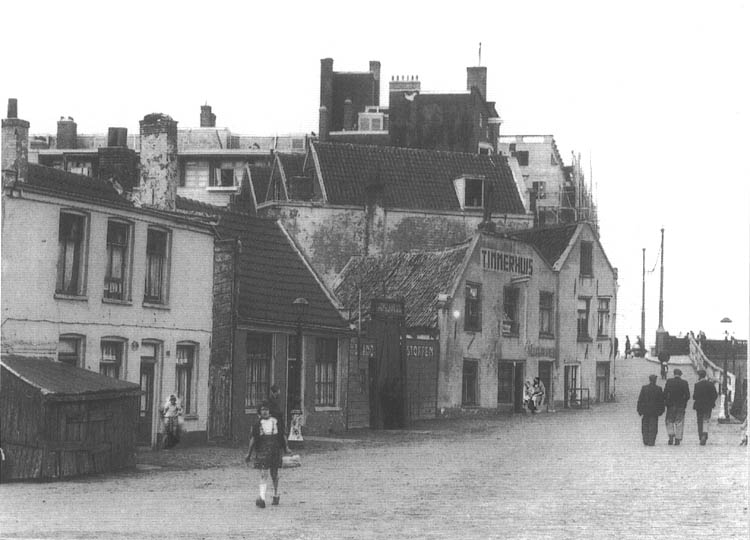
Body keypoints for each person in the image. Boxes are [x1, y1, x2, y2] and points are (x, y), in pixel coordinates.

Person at [246, 401, 283, 508]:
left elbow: (281, 435)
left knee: (274, 474)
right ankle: (262, 498)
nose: (265, 412)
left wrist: (286, 448)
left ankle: (276, 494)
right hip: (262, 451)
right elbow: (252, 439)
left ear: (270, 411)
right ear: (260, 412)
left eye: (267, 409)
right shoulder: (257, 424)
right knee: (263, 474)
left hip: (274, 451)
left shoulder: (275, 422)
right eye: (263, 410)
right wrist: (249, 453)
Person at [663, 368, 691, 446]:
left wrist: (666, 401)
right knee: (679, 421)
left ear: (674, 374)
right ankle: (678, 438)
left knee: (669, 421)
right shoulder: (684, 383)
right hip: (680, 405)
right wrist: (684, 402)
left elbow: (665, 393)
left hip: (670, 405)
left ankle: (671, 434)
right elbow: (688, 395)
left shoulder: (669, 382)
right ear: (680, 374)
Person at [637, 374, 665, 446]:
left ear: (649, 380)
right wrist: (661, 410)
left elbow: (640, 400)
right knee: (653, 426)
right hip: (654, 412)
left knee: (645, 425)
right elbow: (661, 401)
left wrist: (639, 410)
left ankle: (645, 440)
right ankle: (651, 441)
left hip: (645, 411)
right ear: (655, 380)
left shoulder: (644, 388)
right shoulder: (659, 389)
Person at [693, 369, 718, 446]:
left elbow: (694, 396)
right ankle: (705, 434)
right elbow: (715, 395)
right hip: (708, 406)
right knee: (706, 420)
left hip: (699, 406)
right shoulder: (710, 384)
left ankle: (701, 436)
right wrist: (711, 402)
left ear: (699, 376)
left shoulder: (697, 385)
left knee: (699, 421)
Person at [268, 384, 291, 454]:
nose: (279, 393)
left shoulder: (276, 400)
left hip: (278, 419)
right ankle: (284, 448)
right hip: (274, 419)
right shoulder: (270, 400)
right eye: (278, 391)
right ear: (274, 392)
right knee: (279, 433)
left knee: (282, 433)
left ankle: (285, 448)